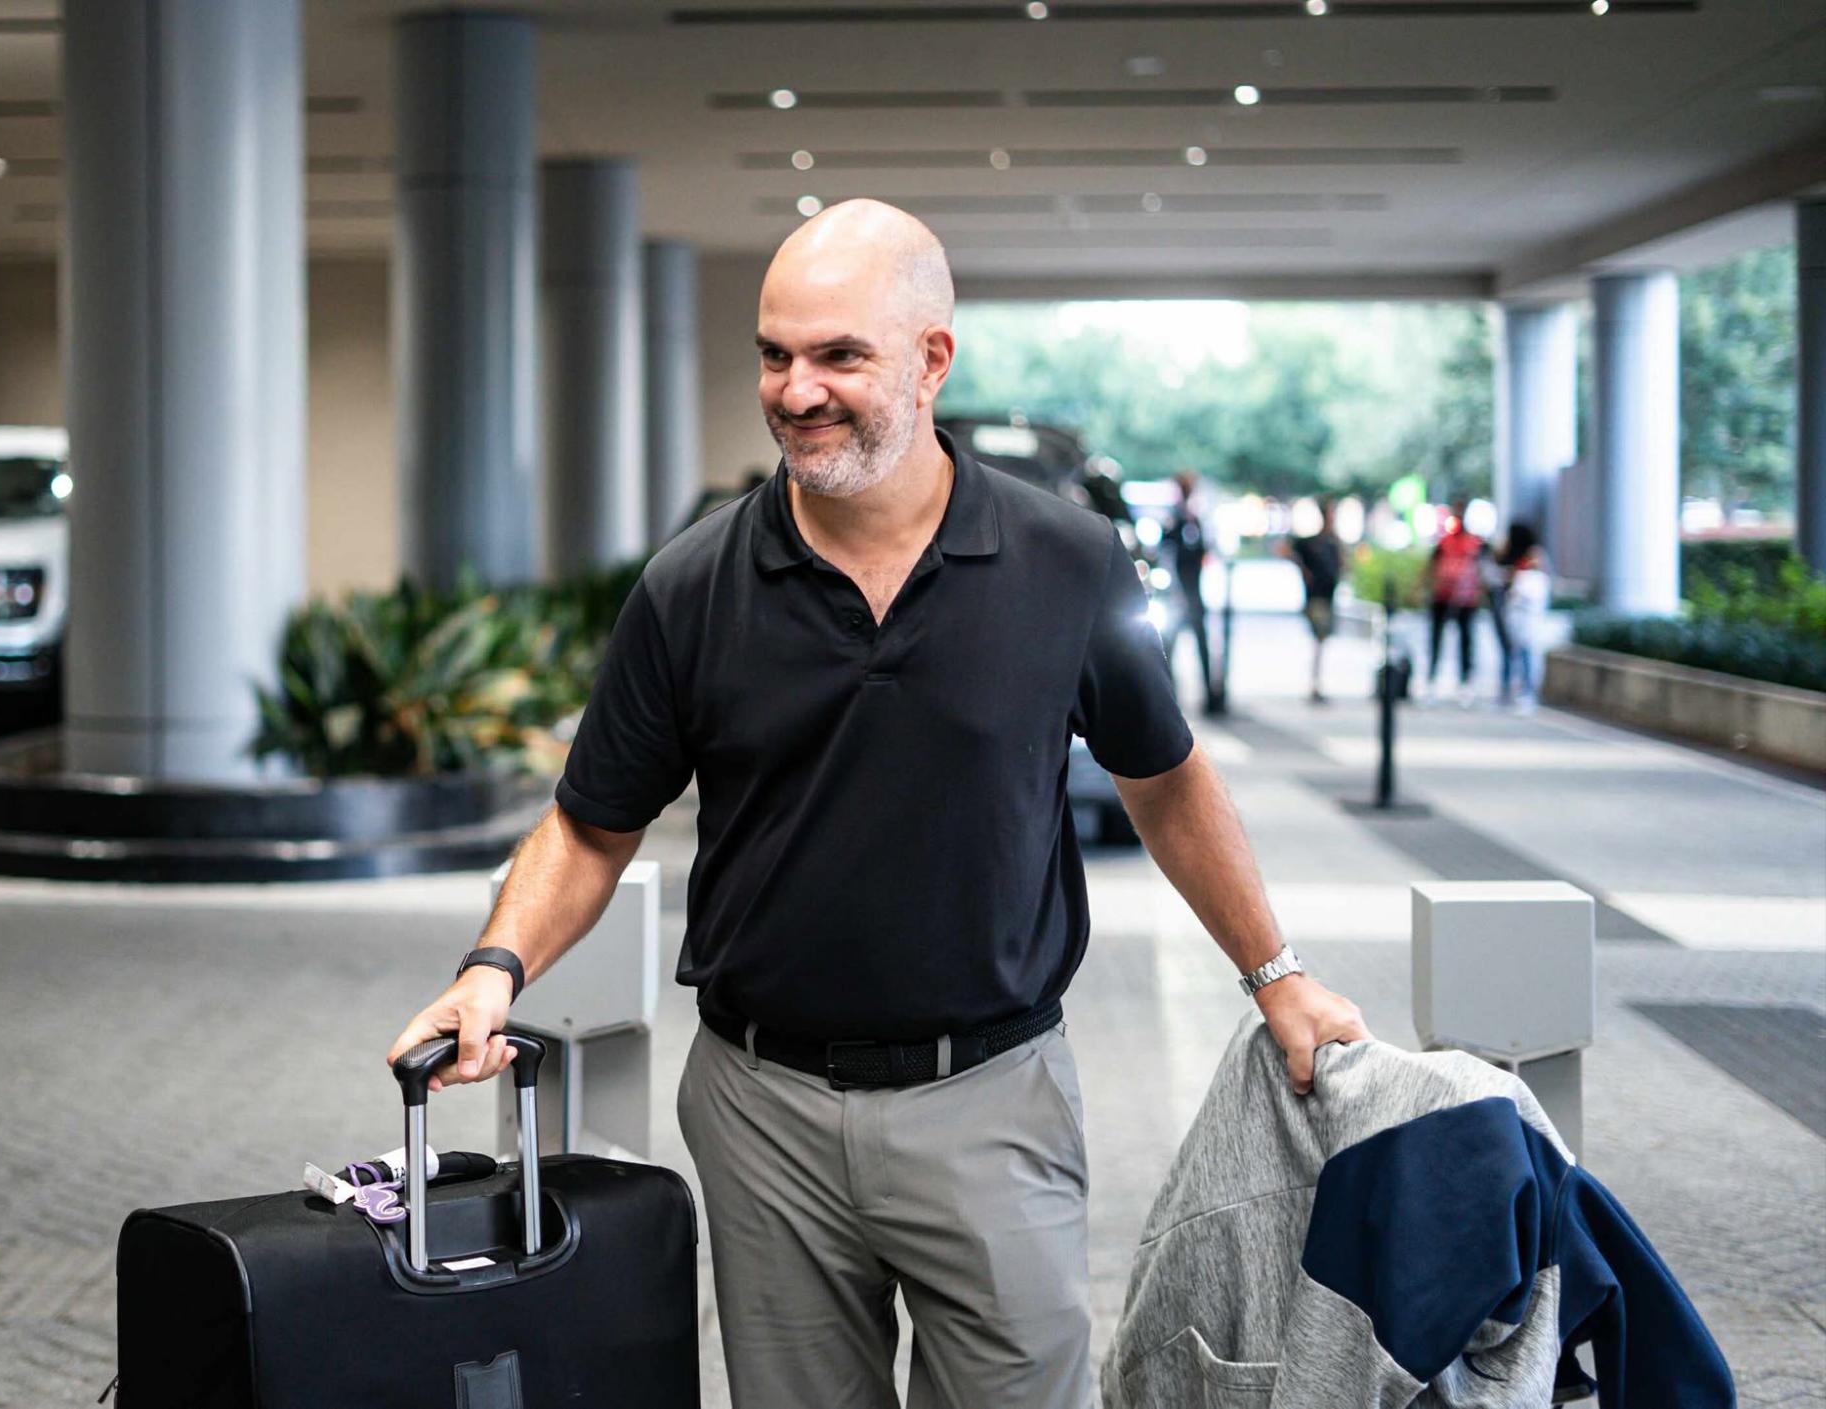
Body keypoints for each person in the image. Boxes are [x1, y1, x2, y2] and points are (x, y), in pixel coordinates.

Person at [387, 199, 1368, 1409]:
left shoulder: (1066, 561)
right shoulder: (690, 586)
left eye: (838, 355)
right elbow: (593, 820)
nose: (796, 390)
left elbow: (1163, 780)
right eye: (773, 354)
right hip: (763, 1113)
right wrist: (494, 964)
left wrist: (1275, 972)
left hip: (992, 1098)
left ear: (929, 358)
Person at [1160, 472, 1218, 708]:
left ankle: (1210, 694)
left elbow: (1203, 551)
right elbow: (1166, 552)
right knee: (1169, 648)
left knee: (1200, 645)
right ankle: (1170, 694)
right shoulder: (1174, 519)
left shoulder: (1194, 519)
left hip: (1193, 593)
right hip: (1177, 594)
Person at [1422, 497, 1484, 703]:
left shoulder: (1475, 543)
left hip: (1467, 600)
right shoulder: (1444, 542)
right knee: (1436, 639)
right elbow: (1432, 566)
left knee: (1466, 641)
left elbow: (1483, 569)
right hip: (1442, 596)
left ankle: (1465, 683)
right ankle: (1431, 681)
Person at [1280, 497, 1341, 704]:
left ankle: (1316, 684)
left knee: (1321, 641)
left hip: (1327, 597)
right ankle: (1315, 685)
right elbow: (1286, 550)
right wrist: (1303, 570)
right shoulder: (1311, 542)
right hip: (1316, 598)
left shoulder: (1332, 542)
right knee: (1319, 639)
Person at [1504, 527, 1552, 714]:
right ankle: (1513, 691)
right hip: (1518, 622)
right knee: (1516, 654)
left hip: (1530, 623)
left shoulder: (1537, 578)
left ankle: (1528, 692)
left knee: (1528, 656)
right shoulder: (1521, 574)